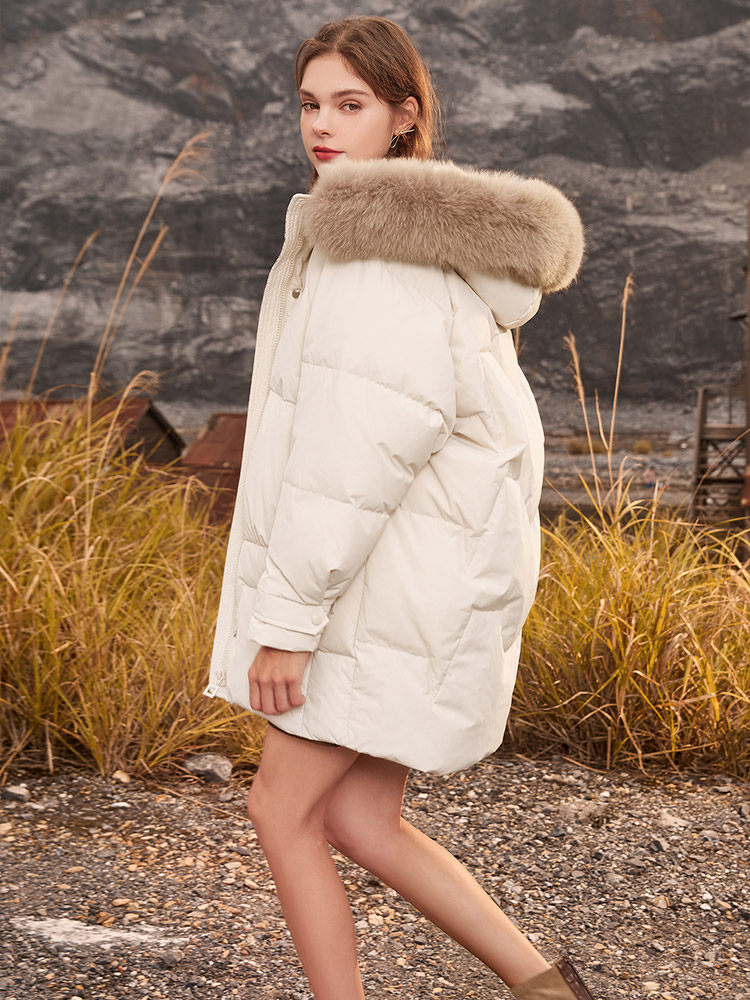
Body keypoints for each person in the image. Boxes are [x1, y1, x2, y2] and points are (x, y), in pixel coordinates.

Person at [205, 15, 589, 1000]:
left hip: (375, 597)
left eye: (351, 104)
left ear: (405, 117)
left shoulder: (376, 259)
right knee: (360, 819)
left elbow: (351, 466)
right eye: (310, 104)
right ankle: (550, 989)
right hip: (408, 587)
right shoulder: (421, 249)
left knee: (279, 810)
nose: (321, 126)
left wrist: (287, 626)